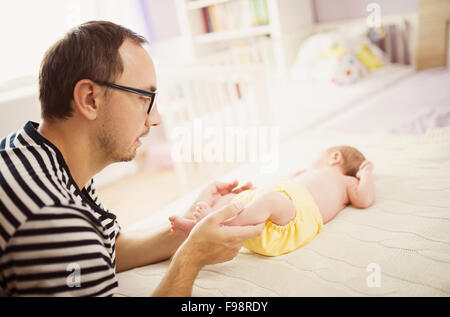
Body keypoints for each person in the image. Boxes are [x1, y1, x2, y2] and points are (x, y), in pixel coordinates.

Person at [0, 21, 263, 296]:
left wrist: (189, 231)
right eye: (143, 98)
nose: (156, 118)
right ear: (90, 99)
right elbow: (77, 244)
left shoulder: (30, 152)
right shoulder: (54, 221)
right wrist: (191, 258)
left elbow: (107, 247)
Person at [170, 145, 375, 256]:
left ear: (335, 158)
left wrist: (366, 175)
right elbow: (278, 191)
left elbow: (364, 199)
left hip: (296, 217)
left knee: (270, 199)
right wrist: (251, 196)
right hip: (270, 208)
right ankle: (199, 227)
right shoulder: (305, 174)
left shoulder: (346, 180)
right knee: (234, 197)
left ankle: (220, 224)